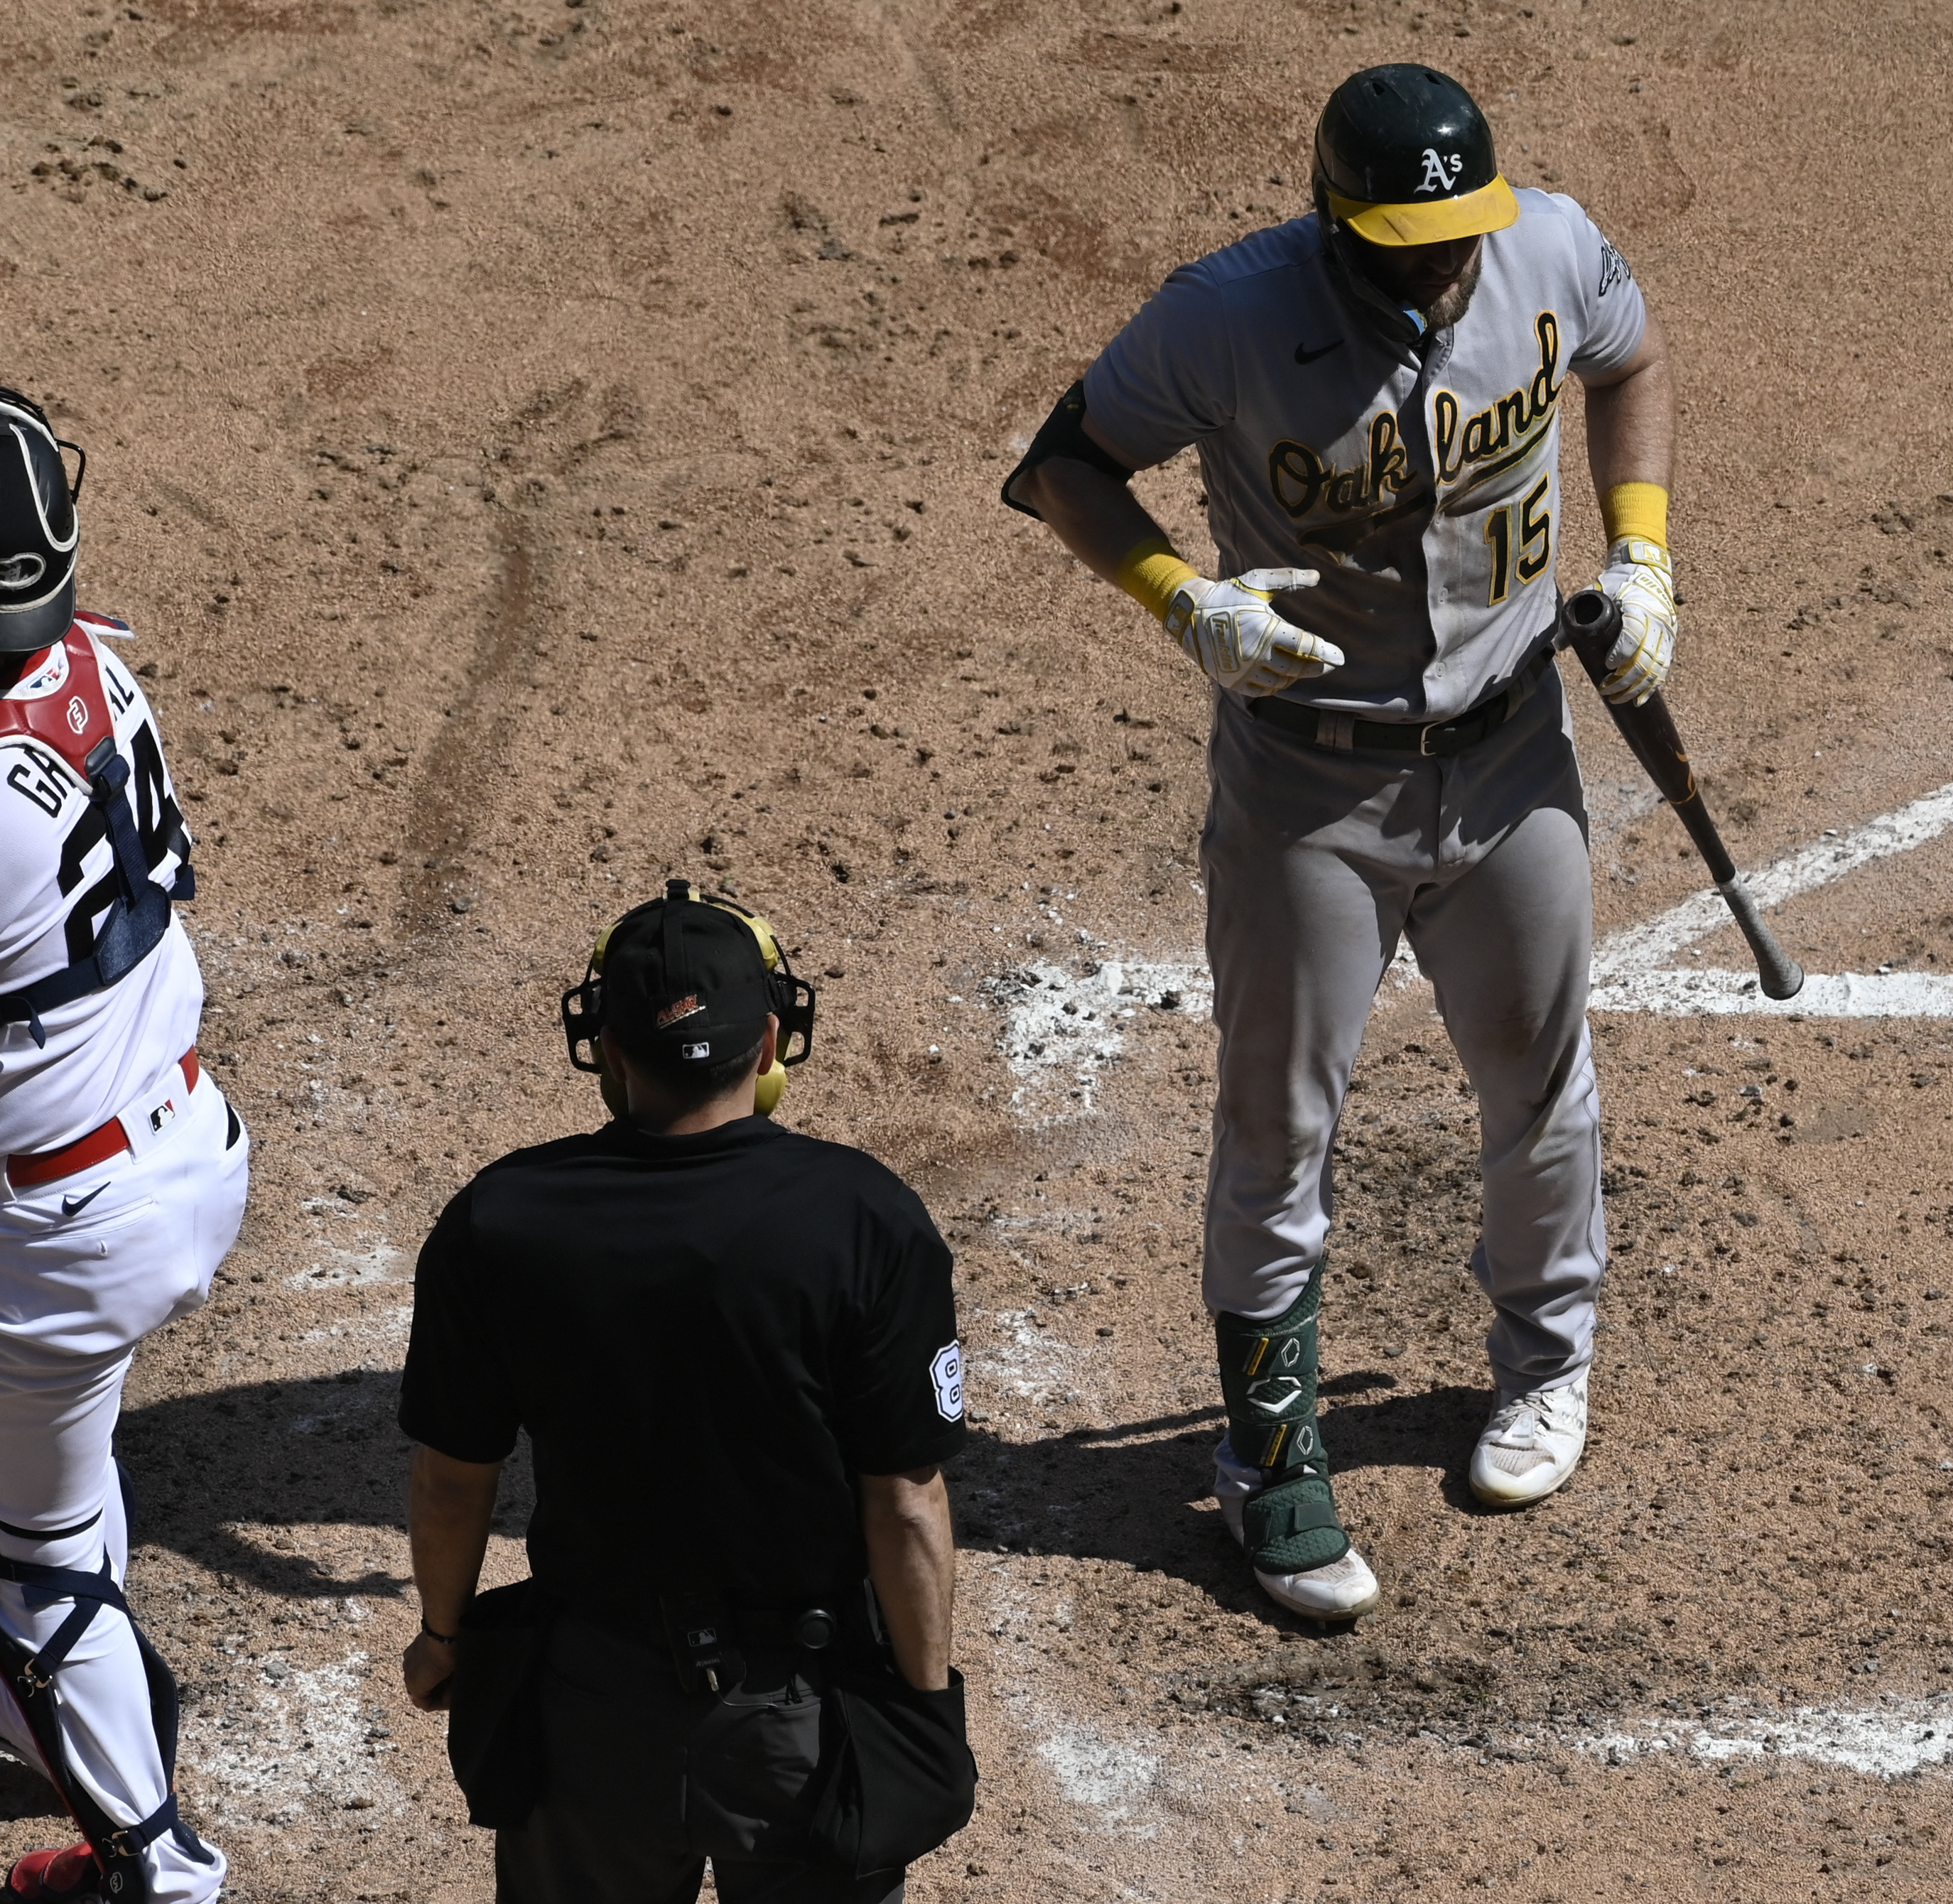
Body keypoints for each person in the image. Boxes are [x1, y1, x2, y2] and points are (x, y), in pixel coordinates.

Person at [1002, 64, 1679, 1620]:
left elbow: (1631, 360)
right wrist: (1183, 599)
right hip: (1312, 791)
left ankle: (1547, 1366)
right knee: (1276, 1126)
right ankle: (1270, 1457)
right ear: (1335, 225)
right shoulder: (1225, 317)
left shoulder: (1553, 246)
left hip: (1513, 757)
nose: (1445, 264)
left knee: (1538, 1074)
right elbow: (1064, 465)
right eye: (1407, 240)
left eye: (1459, 235)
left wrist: (1642, 558)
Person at [396, 881, 974, 1904]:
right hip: (805, 1715)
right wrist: (924, 1703)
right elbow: (906, 1501)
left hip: (589, 1713)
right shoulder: (865, 1217)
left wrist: (445, 1638)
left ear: (610, 1053)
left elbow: (452, 1481)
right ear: (769, 1052)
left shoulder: (503, 1218)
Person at [0, 382, 247, 1901]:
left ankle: (159, 1869)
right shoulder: (87, 665)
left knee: (22, 1548)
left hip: (47, 1237)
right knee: (51, 1467)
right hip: (171, 1144)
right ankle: (22, 1685)